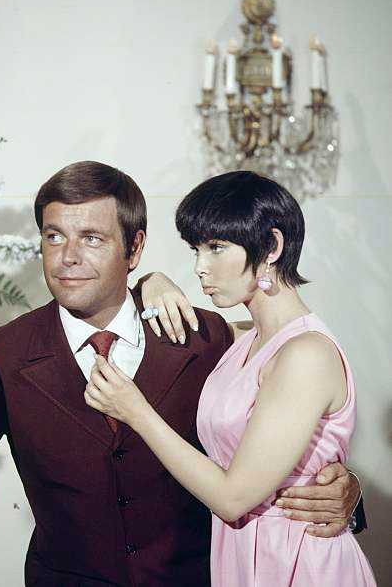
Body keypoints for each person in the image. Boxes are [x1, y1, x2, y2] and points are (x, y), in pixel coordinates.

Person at [0, 161, 360, 585]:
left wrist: (345, 491)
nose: (68, 257)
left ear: (135, 247)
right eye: (54, 237)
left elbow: (282, 424)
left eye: (93, 238)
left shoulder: (207, 337)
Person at [86, 171, 376, 586]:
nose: (200, 268)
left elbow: (232, 497)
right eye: (196, 249)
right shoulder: (243, 338)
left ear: (272, 247)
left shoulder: (306, 355)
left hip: (298, 560)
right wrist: (152, 279)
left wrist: (136, 412)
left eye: (216, 248)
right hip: (240, 556)